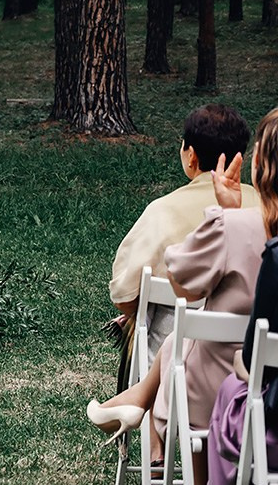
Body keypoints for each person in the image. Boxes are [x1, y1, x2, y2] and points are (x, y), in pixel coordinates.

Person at [87, 113, 274, 485]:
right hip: (259, 374)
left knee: (172, 334)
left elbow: (136, 292)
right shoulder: (258, 216)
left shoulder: (219, 220)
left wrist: (223, 217)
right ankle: (138, 401)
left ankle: (143, 416)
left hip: (223, 386)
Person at [109, 104, 258, 357]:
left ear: (191, 156)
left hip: (174, 353)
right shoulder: (265, 207)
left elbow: (124, 296)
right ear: (239, 157)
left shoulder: (162, 211)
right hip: (252, 350)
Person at [204, 107, 278, 484]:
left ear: (264, 169)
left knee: (233, 389)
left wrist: (227, 215)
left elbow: (252, 361)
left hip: (274, 432)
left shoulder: (277, 257)